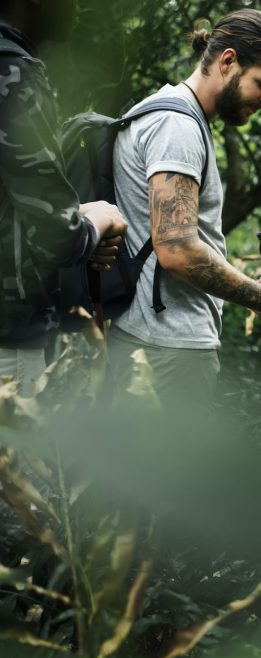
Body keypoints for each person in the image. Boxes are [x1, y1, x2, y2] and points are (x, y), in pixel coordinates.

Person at [105, 9, 261, 406]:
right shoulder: (176, 127)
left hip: (154, 341)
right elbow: (177, 250)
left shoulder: (174, 115)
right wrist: (260, 298)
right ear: (227, 61)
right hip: (168, 348)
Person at [0, 0, 128, 397]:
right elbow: (57, 237)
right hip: (9, 337)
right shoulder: (14, 74)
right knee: (22, 459)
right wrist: (100, 218)